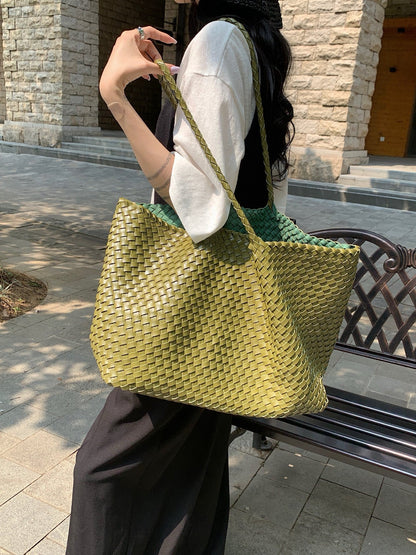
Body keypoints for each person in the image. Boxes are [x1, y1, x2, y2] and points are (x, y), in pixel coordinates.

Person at [66, 1, 294, 553]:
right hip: (230, 306)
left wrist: (114, 96)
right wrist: (181, 84)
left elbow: (198, 202)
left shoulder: (219, 41)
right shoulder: (249, 40)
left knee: (102, 472)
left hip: (189, 310)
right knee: (193, 468)